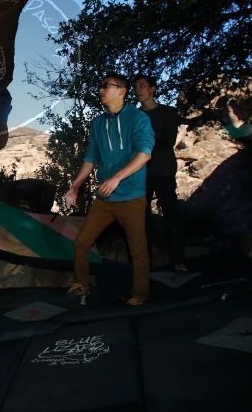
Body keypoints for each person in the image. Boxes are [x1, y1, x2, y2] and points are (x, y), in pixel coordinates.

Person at [64, 73, 155, 305]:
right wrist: (75, 186)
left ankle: (139, 295)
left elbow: (144, 153)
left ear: (122, 91)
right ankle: (80, 284)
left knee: (138, 251)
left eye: (106, 86)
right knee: (82, 241)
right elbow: (90, 157)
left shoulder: (138, 118)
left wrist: (116, 178)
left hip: (132, 197)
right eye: (100, 86)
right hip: (104, 199)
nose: (101, 90)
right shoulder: (97, 123)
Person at [133, 74, 187, 272]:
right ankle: (144, 264)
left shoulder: (168, 112)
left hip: (163, 171)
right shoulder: (135, 116)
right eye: (136, 86)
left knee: (171, 215)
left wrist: (145, 136)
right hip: (140, 174)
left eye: (142, 85)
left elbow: (168, 141)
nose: (138, 89)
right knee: (141, 218)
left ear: (153, 89)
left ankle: (178, 260)